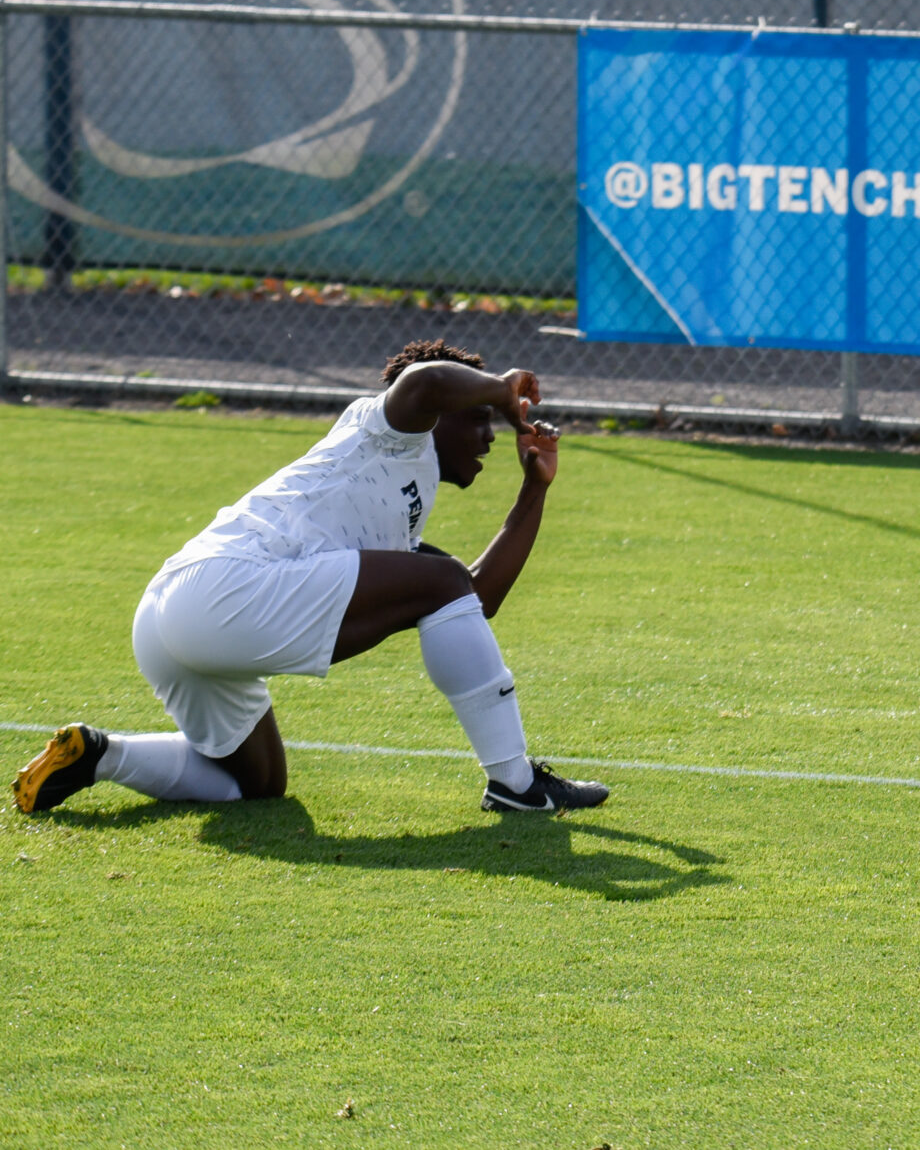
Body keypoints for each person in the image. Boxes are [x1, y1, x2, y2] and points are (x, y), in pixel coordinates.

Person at [13, 341, 607, 818]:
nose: (490, 435)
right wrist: (503, 387)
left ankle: (99, 755)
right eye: (479, 420)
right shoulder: (390, 430)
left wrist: (535, 487)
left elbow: (475, 597)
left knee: (258, 784)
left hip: (169, 612)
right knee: (440, 580)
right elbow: (426, 382)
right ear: (437, 418)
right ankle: (515, 783)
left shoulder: (391, 500)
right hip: (226, 591)